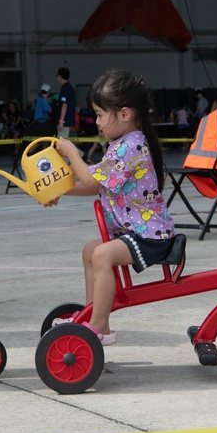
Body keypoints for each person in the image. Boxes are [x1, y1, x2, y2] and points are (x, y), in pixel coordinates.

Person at [47, 69, 175, 345]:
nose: (97, 122)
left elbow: (90, 178)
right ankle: (91, 314)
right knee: (91, 251)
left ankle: (100, 326)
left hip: (149, 236)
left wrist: (71, 152)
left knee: (102, 255)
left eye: (100, 114)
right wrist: (59, 189)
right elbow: (97, 185)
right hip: (136, 232)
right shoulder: (123, 143)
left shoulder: (129, 146)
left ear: (125, 114)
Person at [56, 67, 77, 137]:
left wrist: (61, 121)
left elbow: (64, 105)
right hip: (69, 120)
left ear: (60, 76)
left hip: (65, 121)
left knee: (62, 143)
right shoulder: (70, 88)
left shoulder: (65, 88)